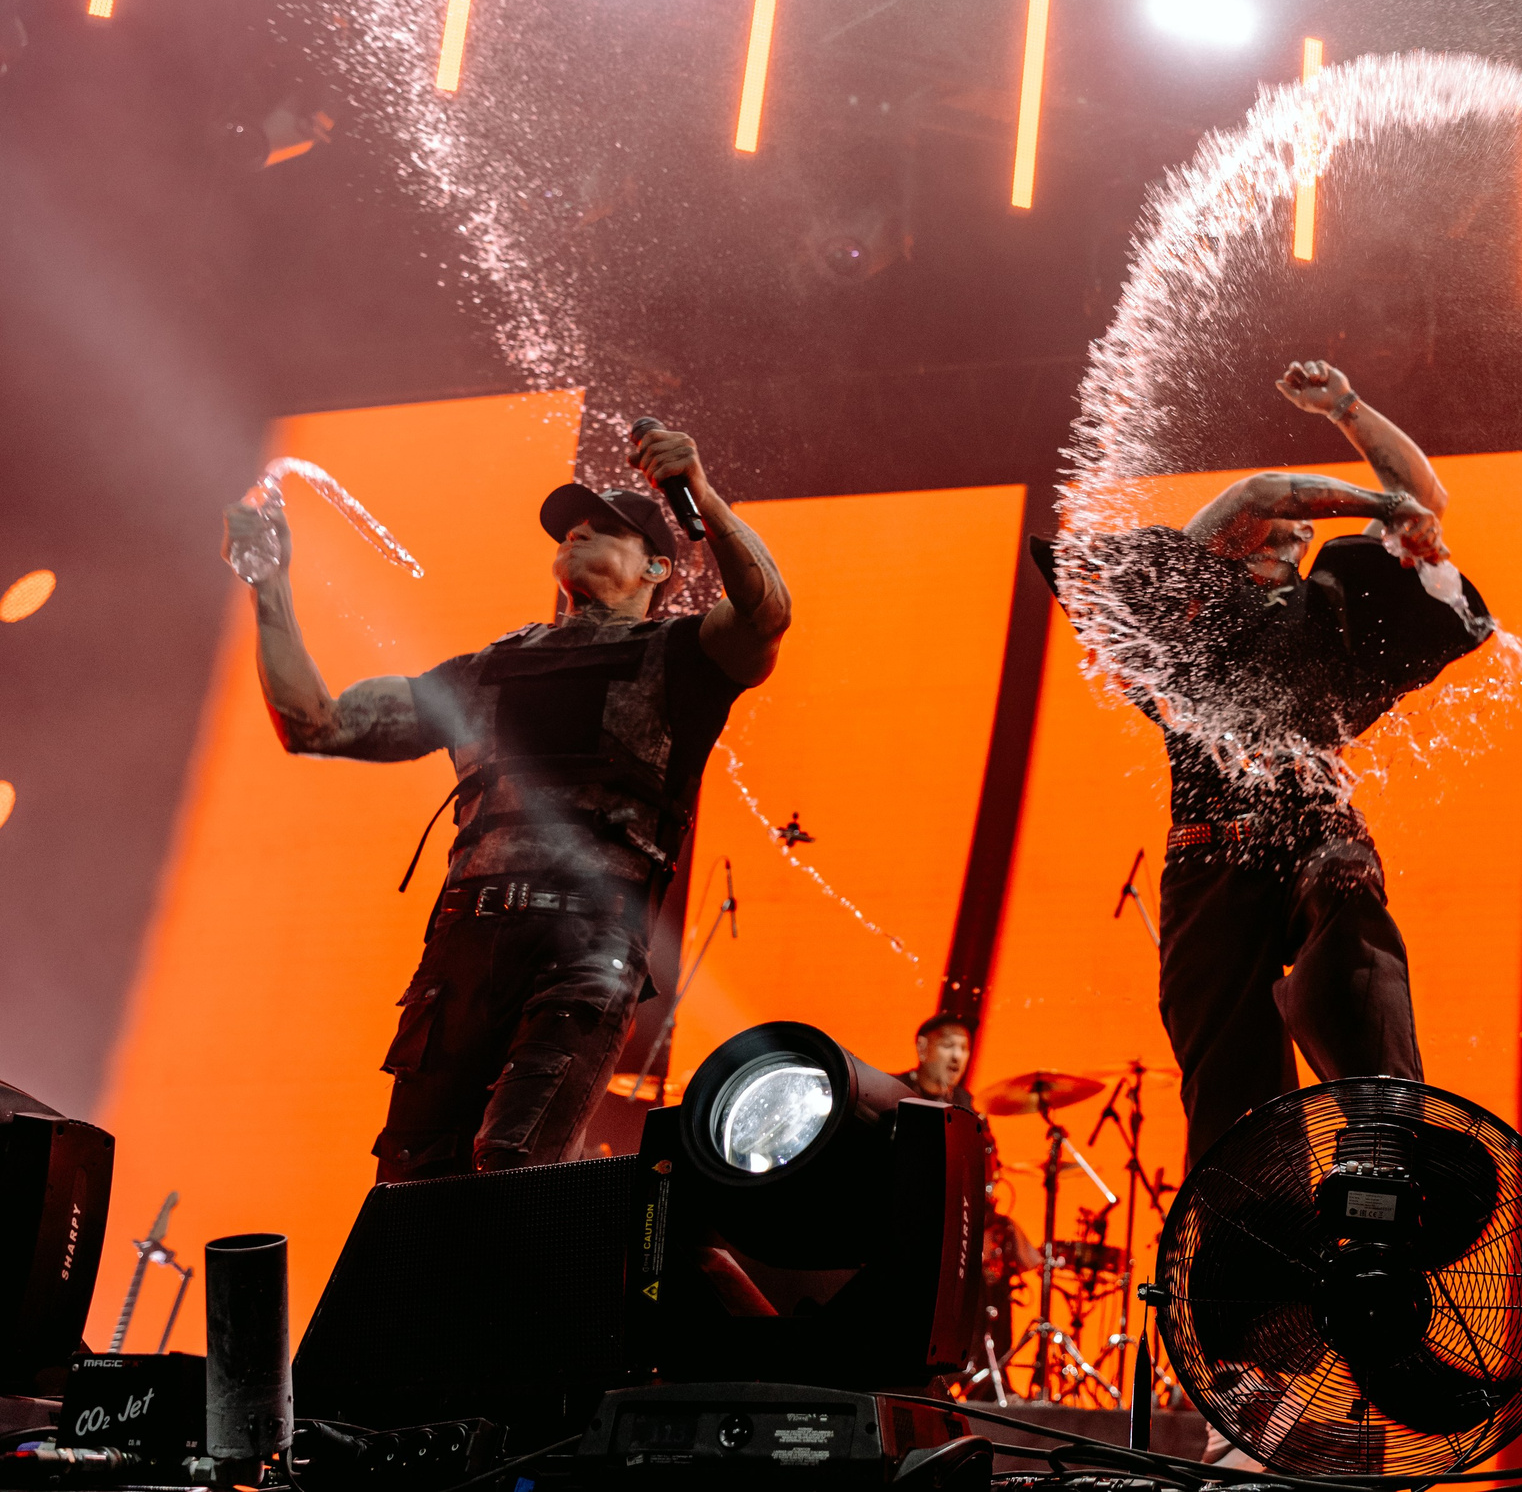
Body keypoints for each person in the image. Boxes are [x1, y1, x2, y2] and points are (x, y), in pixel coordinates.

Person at [222, 423, 792, 1181]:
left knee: (514, 1161)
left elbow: (766, 614)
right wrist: (268, 581)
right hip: (462, 948)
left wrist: (702, 494)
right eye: (569, 526)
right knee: (413, 1180)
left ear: (658, 564)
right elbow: (315, 722)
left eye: (605, 526)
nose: (576, 529)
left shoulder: (682, 659)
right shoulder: (486, 671)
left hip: (586, 947)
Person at [1033, 360, 1492, 1170]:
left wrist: (1352, 409)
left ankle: (1385, 1135)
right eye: (1286, 528)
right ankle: (1253, 1251)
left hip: (1314, 828)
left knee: (1346, 896)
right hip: (1211, 856)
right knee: (1232, 1099)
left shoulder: (1338, 617)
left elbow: (1427, 500)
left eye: (1300, 531)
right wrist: (1385, 504)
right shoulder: (1187, 606)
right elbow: (1260, 492)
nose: (1292, 533)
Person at [902, 1012, 977, 1110]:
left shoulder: (968, 1106)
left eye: (964, 1048)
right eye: (948, 1045)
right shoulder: (891, 1091)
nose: (957, 1056)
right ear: (922, 1048)